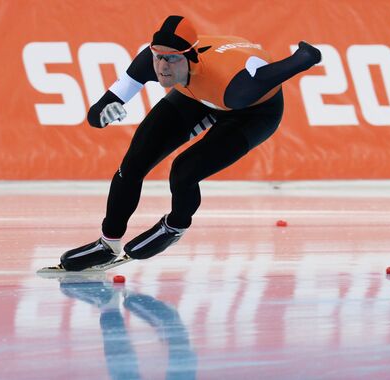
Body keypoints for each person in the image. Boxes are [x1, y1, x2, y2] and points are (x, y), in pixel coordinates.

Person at [59, 15, 321, 271]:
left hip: (252, 112)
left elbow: (282, 69)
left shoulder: (237, 88)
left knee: (184, 172)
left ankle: (175, 225)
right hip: (194, 94)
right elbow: (98, 109)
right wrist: (103, 115)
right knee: (134, 162)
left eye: (171, 59)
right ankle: (108, 243)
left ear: (190, 58)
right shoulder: (150, 63)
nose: (162, 67)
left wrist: (305, 57)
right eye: (158, 56)